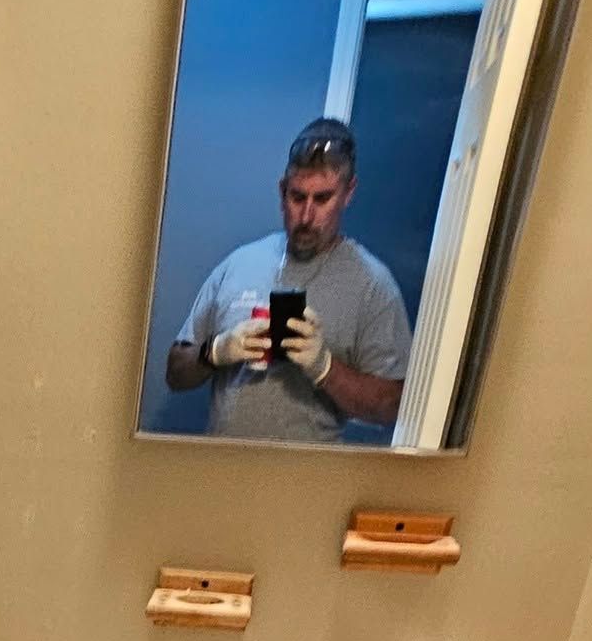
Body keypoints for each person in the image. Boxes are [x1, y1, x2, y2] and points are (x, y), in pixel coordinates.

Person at [164, 118, 411, 442]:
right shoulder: (238, 264)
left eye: (322, 199)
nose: (307, 216)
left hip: (305, 481)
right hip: (219, 473)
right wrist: (216, 351)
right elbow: (175, 372)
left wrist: (324, 367)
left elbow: (393, 405)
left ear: (348, 193)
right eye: (297, 197)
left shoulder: (373, 287)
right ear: (282, 191)